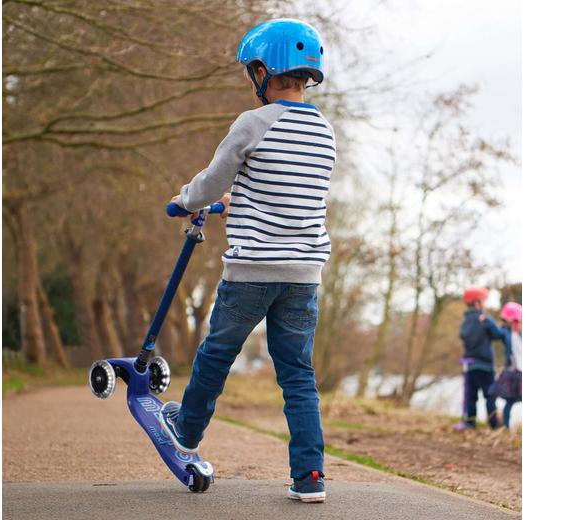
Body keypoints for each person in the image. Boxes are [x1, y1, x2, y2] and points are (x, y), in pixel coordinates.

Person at [159, 19, 334, 503]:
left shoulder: (253, 122)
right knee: (298, 375)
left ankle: (188, 431)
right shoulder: (323, 130)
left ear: (263, 71)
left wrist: (187, 200)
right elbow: (293, 190)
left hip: (253, 269)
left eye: (249, 71)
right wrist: (244, 199)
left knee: (218, 353)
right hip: (303, 274)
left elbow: (213, 181)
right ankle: (310, 476)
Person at [455, 287, 505, 430]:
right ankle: (494, 424)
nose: (485, 304)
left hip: (469, 365)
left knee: (471, 396)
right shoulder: (484, 320)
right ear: (477, 303)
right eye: (484, 301)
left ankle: (470, 422)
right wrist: (490, 322)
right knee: (490, 395)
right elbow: (498, 335)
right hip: (485, 364)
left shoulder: (465, 322)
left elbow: (464, 337)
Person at [490, 302, 523, 430]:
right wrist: (487, 319)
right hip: (513, 373)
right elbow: (497, 331)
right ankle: (505, 427)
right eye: (515, 322)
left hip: (521, 372)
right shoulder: (506, 334)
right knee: (509, 401)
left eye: (519, 322)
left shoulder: (522, 336)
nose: (517, 324)